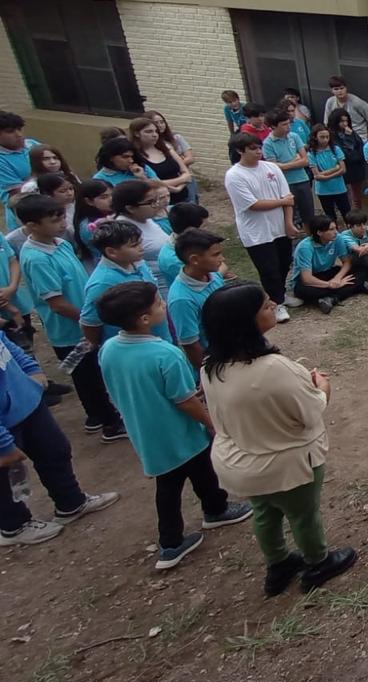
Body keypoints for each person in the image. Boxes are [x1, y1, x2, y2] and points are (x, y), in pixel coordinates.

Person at [200, 283, 356, 594]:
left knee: (264, 512)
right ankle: (318, 562)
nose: (273, 305)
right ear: (246, 321)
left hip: (241, 461)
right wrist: (321, 385)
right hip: (285, 463)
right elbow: (312, 410)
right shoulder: (273, 368)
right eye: (265, 306)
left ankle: (278, 563)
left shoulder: (210, 366)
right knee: (304, 515)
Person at [96, 282, 250, 569]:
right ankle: (181, 535)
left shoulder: (109, 349)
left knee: (170, 482)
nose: (164, 305)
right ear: (144, 318)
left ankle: (201, 518)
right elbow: (184, 401)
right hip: (179, 432)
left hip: (145, 431)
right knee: (197, 471)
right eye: (157, 303)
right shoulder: (165, 354)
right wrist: (210, 421)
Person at [14, 195, 127, 440]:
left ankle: (98, 416)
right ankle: (108, 423)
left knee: (92, 373)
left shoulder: (59, 243)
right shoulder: (37, 258)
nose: (63, 223)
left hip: (86, 321)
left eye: (62, 216)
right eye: (54, 220)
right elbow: (56, 304)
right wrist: (90, 319)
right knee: (88, 377)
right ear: (32, 225)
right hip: (71, 329)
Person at [0, 329, 119, 546]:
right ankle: (14, 526)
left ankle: (71, 503)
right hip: (4, 421)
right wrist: (4, 445)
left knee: (55, 450)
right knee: (5, 475)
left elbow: (6, 344)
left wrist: (32, 369)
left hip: (27, 401)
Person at [224, 133, 297, 322]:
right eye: (253, 149)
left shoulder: (271, 168)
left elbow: (288, 198)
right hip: (256, 231)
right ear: (240, 151)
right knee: (268, 268)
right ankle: (275, 304)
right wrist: (281, 201)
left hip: (279, 227)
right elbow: (253, 204)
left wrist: (288, 223)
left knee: (283, 263)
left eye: (259, 147)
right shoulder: (234, 175)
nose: (258, 152)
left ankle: (280, 295)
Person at [79, 219, 172, 345]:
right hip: (135, 348)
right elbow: (90, 323)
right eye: (134, 246)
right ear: (111, 252)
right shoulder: (103, 283)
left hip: (160, 338)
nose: (141, 248)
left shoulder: (137, 262)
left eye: (140, 243)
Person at [166, 228, 227, 368]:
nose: (222, 259)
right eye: (216, 255)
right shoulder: (182, 299)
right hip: (215, 362)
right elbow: (190, 345)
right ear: (194, 260)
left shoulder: (214, 276)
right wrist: (207, 372)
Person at [292, 214, 368, 312]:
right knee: (302, 291)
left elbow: (347, 262)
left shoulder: (338, 238)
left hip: (328, 272)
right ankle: (355, 288)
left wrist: (337, 278)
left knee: (361, 270)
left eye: (335, 228)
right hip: (310, 279)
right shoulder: (305, 247)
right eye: (331, 229)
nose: (335, 232)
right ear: (319, 232)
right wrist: (330, 284)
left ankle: (330, 298)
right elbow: (307, 279)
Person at [261, 110, 313, 226]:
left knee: (309, 215)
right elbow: (274, 167)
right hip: (285, 183)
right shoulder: (268, 144)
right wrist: (295, 161)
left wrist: (284, 165)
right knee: (289, 214)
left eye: (288, 123)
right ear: (273, 126)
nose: (288, 127)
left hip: (302, 179)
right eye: (284, 124)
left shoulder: (294, 137)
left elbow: (306, 160)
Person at [325, 109, 367, 213]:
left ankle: (358, 217)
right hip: (345, 171)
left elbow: (361, 149)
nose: (345, 124)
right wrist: (349, 139)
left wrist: (351, 136)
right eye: (342, 121)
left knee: (357, 198)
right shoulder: (332, 136)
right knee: (348, 198)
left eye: (346, 121)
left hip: (357, 170)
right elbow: (345, 154)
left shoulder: (352, 133)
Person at [308, 125, 350, 223]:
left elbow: (343, 169)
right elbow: (317, 176)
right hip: (323, 191)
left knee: (346, 213)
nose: (325, 140)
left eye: (327, 137)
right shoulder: (312, 153)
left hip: (339, 188)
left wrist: (326, 175)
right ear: (315, 137)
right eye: (322, 137)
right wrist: (335, 169)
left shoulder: (335, 149)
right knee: (330, 216)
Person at [93, 137, 159, 188]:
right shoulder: (100, 178)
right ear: (111, 158)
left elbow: (160, 188)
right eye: (125, 157)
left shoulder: (143, 168)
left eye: (132, 157)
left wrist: (143, 177)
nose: (131, 161)